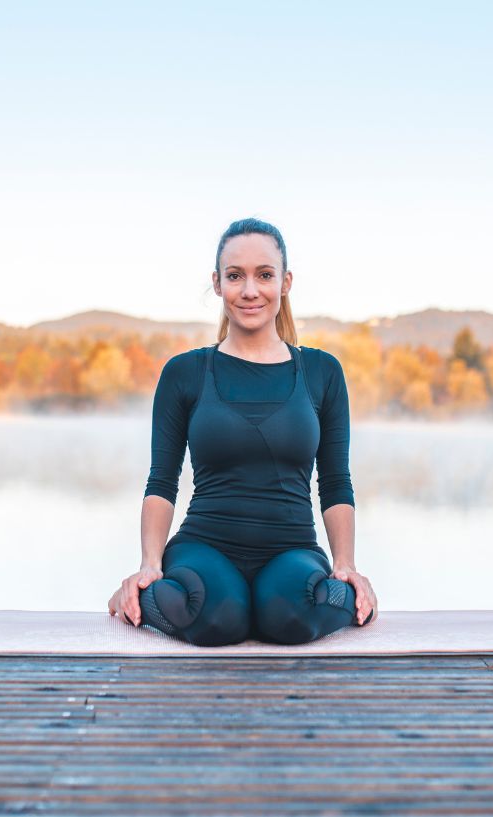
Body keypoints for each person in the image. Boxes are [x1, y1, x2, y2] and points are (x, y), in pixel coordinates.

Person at [106, 217, 378, 646]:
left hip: (292, 549)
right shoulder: (185, 373)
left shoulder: (323, 372)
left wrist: (345, 565)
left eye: (264, 275)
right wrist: (149, 564)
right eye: (235, 276)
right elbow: (162, 480)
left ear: (285, 282)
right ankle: (142, 597)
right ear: (217, 284)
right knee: (218, 619)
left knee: (291, 615)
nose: (250, 290)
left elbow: (336, 482)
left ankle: (314, 598)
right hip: (203, 547)